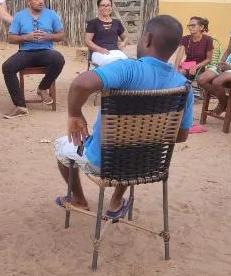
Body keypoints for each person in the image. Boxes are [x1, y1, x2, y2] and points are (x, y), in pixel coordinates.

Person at [54, 15, 194, 218]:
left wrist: (74, 114)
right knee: (135, 147)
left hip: (104, 163)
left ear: (147, 39)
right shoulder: (184, 86)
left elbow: (80, 84)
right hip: (147, 164)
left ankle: (78, 199)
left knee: (61, 145)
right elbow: (181, 136)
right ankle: (116, 201)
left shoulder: (128, 69)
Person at [2, 0, 66, 119]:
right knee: (7, 67)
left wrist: (49, 36)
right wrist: (26, 37)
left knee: (58, 59)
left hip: (45, 51)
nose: (41, 1)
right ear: (29, 1)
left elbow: (61, 35)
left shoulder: (51, 14)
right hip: (26, 52)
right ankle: (20, 106)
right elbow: (11, 38)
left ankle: (43, 88)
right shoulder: (19, 16)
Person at [85, 0, 128, 67]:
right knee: (112, 65)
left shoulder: (116, 22)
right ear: (98, 7)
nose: (106, 7)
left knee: (126, 64)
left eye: (108, 5)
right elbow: (87, 41)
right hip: (98, 53)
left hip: (116, 52)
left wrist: (123, 44)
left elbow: (125, 37)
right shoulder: (93, 23)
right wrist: (100, 49)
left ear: (111, 7)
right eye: (103, 5)